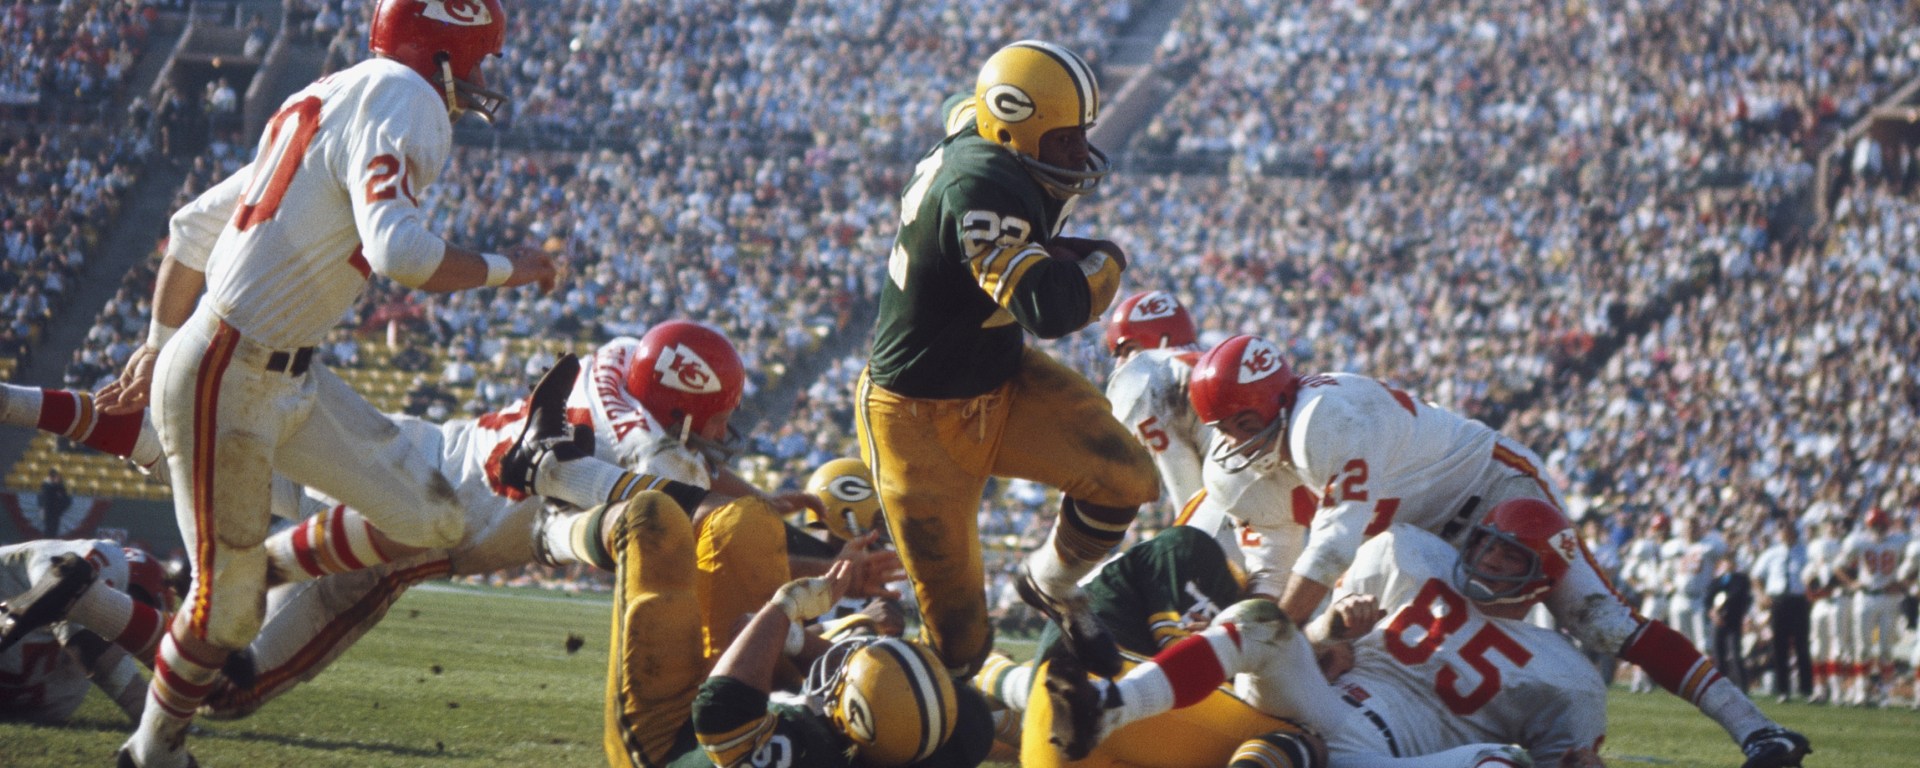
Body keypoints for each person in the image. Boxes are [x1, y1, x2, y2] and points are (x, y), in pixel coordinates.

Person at [93, 0, 557, 763]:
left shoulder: (327, 94)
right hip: (228, 374)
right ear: (440, 50)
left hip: (284, 372)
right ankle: (151, 752)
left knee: (434, 520)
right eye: (475, 56)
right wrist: (515, 268)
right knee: (227, 615)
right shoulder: (406, 97)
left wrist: (156, 343)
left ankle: (267, 562)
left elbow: (190, 228)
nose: (479, 75)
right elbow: (401, 254)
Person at [1183, 334, 1809, 768]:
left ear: (1276, 403)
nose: (1232, 443)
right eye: (1222, 429)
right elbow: (1280, 574)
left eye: (1242, 423)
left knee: (1603, 621)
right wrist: (1285, 645)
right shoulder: (1252, 462)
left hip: (1494, 496)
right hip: (1413, 530)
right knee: (1369, 643)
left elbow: (1330, 547)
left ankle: (1756, 729)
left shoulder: (1327, 417)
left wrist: (1271, 637)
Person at [856, 39, 1157, 678]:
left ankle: (1051, 585)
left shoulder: (987, 128)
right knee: (961, 643)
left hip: (1000, 374)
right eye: (1063, 139)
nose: (1078, 151)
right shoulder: (982, 188)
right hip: (917, 421)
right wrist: (1106, 262)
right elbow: (1050, 309)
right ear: (1011, 132)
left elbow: (959, 106)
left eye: (1081, 133)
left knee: (1126, 480)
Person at [1043, 499, 1606, 768]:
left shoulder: (1566, 676)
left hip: (1388, 760)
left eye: (1512, 558)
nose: (1490, 560)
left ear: (1541, 580)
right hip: (1320, 705)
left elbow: (1566, 763)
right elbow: (1316, 651)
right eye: (1488, 543)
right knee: (1261, 620)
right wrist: (1332, 629)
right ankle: (1111, 704)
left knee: (1504, 765)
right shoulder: (1410, 555)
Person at [588, 483, 990, 767]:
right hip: (752, 708)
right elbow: (920, 708)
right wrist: (793, 636)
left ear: (849, 717)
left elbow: (717, 710)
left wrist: (785, 609)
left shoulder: (800, 753)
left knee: (650, 519)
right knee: (747, 521)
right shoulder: (909, 738)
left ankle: (555, 524)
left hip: (669, 741)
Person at [1102, 290, 1238, 555]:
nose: (1119, 362)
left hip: (1230, 513)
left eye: (1127, 349)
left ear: (1161, 339)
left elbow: (1187, 490)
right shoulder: (1204, 361)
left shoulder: (1151, 377)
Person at [1, 539, 172, 724]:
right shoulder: (106, 559)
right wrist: (159, 719)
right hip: (47, 589)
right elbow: (88, 644)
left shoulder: (66, 695)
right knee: (73, 592)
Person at [1835, 506, 1907, 706]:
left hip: (1888, 597)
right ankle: (1861, 690)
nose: (1878, 529)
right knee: (1863, 647)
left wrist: (1903, 583)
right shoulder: (1858, 541)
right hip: (1865, 596)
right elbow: (1838, 566)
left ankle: (1886, 692)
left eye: (1881, 525)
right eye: (1875, 525)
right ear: (1868, 525)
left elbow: (1913, 562)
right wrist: (1851, 584)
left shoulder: (1899, 541)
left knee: (1886, 648)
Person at [1751, 522, 1813, 703]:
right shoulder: (1771, 553)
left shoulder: (1805, 552)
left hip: (1798, 599)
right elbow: (1756, 575)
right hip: (1778, 600)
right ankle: (1783, 690)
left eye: (1789, 531)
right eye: (1783, 532)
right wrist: (1761, 595)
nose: (1786, 535)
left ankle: (1806, 688)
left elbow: (1813, 573)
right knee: (1779, 645)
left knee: (1802, 644)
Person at [1803, 516, 1851, 703]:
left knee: (1837, 646)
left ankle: (1837, 691)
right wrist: (1812, 586)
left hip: (1839, 599)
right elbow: (1808, 579)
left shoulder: (1845, 547)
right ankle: (1820, 689)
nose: (1831, 527)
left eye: (1834, 524)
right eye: (1828, 524)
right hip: (1821, 602)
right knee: (1817, 648)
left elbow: (1846, 574)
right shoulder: (1815, 552)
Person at [1706, 556, 1754, 693]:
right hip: (1718, 622)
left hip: (1732, 620)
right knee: (1718, 654)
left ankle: (1742, 687)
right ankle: (1720, 686)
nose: (1727, 566)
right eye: (1724, 563)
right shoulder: (1716, 581)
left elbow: (1737, 595)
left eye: (1729, 563)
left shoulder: (1740, 579)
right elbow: (1708, 599)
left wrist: (1724, 606)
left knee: (1734, 654)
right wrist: (1713, 612)